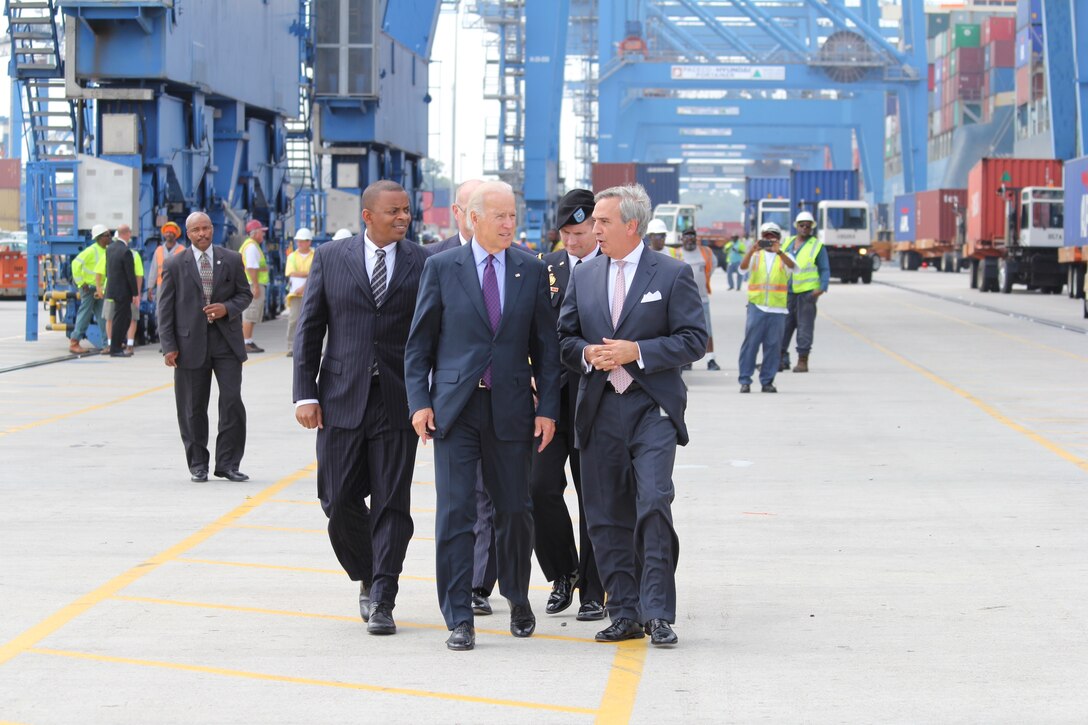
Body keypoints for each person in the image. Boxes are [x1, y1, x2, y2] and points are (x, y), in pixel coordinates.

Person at [404, 180, 561, 651]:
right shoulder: (441, 267)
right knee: (456, 514)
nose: (510, 224)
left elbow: (546, 349)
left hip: (511, 407)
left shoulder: (529, 270)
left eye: (512, 215)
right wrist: (419, 402)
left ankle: (516, 595)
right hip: (455, 409)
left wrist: (548, 408)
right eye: (500, 216)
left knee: (515, 511)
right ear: (473, 219)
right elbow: (419, 346)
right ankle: (458, 618)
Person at [557, 184, 707, 647]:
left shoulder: (672, 274)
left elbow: (693, 340)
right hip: (599, 408)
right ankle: (624, 611)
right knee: (604, 514)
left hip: (652, 409)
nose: (593, 229)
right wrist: (587, 355)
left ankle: (658, 611)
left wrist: (637, 350)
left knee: (654, 503)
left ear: (631, 225)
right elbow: (565, 339)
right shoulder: (583, 277)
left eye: (602, 221)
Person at [293, 181, 427, 636]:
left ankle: (384, 596)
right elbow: (309, 328)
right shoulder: (331, 258)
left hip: (398, 401)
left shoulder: (422, 262)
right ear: (367, 216)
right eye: (394, 211)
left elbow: (433, 334)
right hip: (339, 400)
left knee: (392, 501)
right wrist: (305, 393)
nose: (403, 218)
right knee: (336, 498)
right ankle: (369, 572)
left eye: (407, 211)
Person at [532, 189, 606, 622]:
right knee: (538, 488)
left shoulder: (610, 269)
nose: (573, 241)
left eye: (580, 232)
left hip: (595, 398)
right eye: (566, 233)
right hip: (549, 402)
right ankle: (563, 572)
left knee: (593, 496)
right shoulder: (544, 268)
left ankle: (595, 588)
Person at [426, 177, 498, 616]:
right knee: (459, 502)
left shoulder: (521, 264)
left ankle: (479, 583)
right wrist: (423, 399)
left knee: (491, 497)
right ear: (459, 213)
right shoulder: (434, 261)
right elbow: (419, 336)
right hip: (451, 402)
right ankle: (460, 593)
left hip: (499, 401)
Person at [158, 211, 253, 482]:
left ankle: (228, 464)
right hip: (189, 345)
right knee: (192, 407)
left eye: (206, 228)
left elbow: (245, 294)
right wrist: (169, 346)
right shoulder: (175, 264)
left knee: (232, 402)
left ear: (213, 229)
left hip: (226, 343)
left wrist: (227, 308)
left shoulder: (232, 259)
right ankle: (198, 464)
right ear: (188, 234)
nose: (202, 234)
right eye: (196, 230)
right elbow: (164, 309)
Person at [737, 222, 797, 394]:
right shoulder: (756, 256)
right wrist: (752, 250)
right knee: (750, 345)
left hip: (777, 310)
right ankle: (745, 380)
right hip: (757, 307)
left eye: (773, 237)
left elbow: (794, 268)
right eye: (766, 237)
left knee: (773, 347)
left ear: (779, 239)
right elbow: (742, 269)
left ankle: (767, 381)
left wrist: (779, 251)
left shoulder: (785, 257)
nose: (770, 240)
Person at [779, 210, 829, 373]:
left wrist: (821, 288)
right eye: (802, 225)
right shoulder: (787, 243)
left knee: (804, 327)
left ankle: (802, 360)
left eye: (808, 226)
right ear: (796, 226)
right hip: (788, 292)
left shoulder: (816, 246)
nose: (805, 228)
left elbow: (824, 268)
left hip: (807, 294)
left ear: (812, 227)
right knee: (783, 326)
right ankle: (780, 358)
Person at [97, 225, 143, 353]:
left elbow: (107, 271)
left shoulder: (110, 249)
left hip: (111, 290)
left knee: (115, 318)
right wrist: (135, 293)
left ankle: (113, 346)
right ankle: (116, 348)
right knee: (122, 319)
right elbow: (130, 275)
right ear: (127, 234)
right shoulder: (126, 251)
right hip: (123, 292)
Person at [680, 228, 719, 371]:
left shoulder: (706, 252)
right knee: (684, 332)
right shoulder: (677, 254)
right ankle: (686, 360)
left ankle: (711, 359)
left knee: (707, 330)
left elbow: (713, 265)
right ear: (681, 239)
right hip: (682, 301)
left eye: (692, 237)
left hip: (702, 298)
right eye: (686, 236)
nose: (689, 239)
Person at [67, 225, 110, 353]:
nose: (110, 238)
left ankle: (106, 344)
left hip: (99, 289)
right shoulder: (92, 250)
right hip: (88, 289)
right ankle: (74, 342)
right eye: (107, 235)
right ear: (99, 237)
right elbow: (75, 264)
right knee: (85, 315)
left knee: (103, 317)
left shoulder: (107, 250)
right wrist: (81, 283)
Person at [284, 227, 314, 358]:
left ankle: (309, 347)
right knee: (294, 320)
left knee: (312, 321)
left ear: (309, 242)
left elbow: (316, 273)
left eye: (302, 241)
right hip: (295, 295)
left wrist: (304, 278)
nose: (299, 244)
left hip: (312, 293)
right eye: (298, 241)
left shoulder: (316, 254)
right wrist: (308, 275)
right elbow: (291, 272)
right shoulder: (292, 256)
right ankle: (291, 347)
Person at [239, 219, 268, 353]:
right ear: (255, 233)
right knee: (249, 314)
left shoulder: (251, 245)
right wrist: (255, 286)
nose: (263, 235)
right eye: (262, 232)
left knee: (252, 314)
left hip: (252, 283)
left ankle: (248, 340)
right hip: (252, 284)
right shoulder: (251, 247)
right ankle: (245, 342)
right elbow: (251, 267)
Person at [147, 222, 186, 306]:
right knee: (161, 309)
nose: (168, 234)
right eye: (167, 232)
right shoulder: (159, 250)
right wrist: (150, 287)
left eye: (171, 232)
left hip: (177, 285)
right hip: (161, 285)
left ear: (175, 234)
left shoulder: (182, 250)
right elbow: (154, 269)